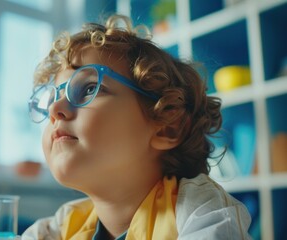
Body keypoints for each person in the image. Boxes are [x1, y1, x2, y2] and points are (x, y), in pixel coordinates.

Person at [22, 14, 251, 240]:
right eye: (52, 99)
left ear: (167, 128)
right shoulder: (63, 226)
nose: (55, 109)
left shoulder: (199, 209)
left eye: (90, 89)